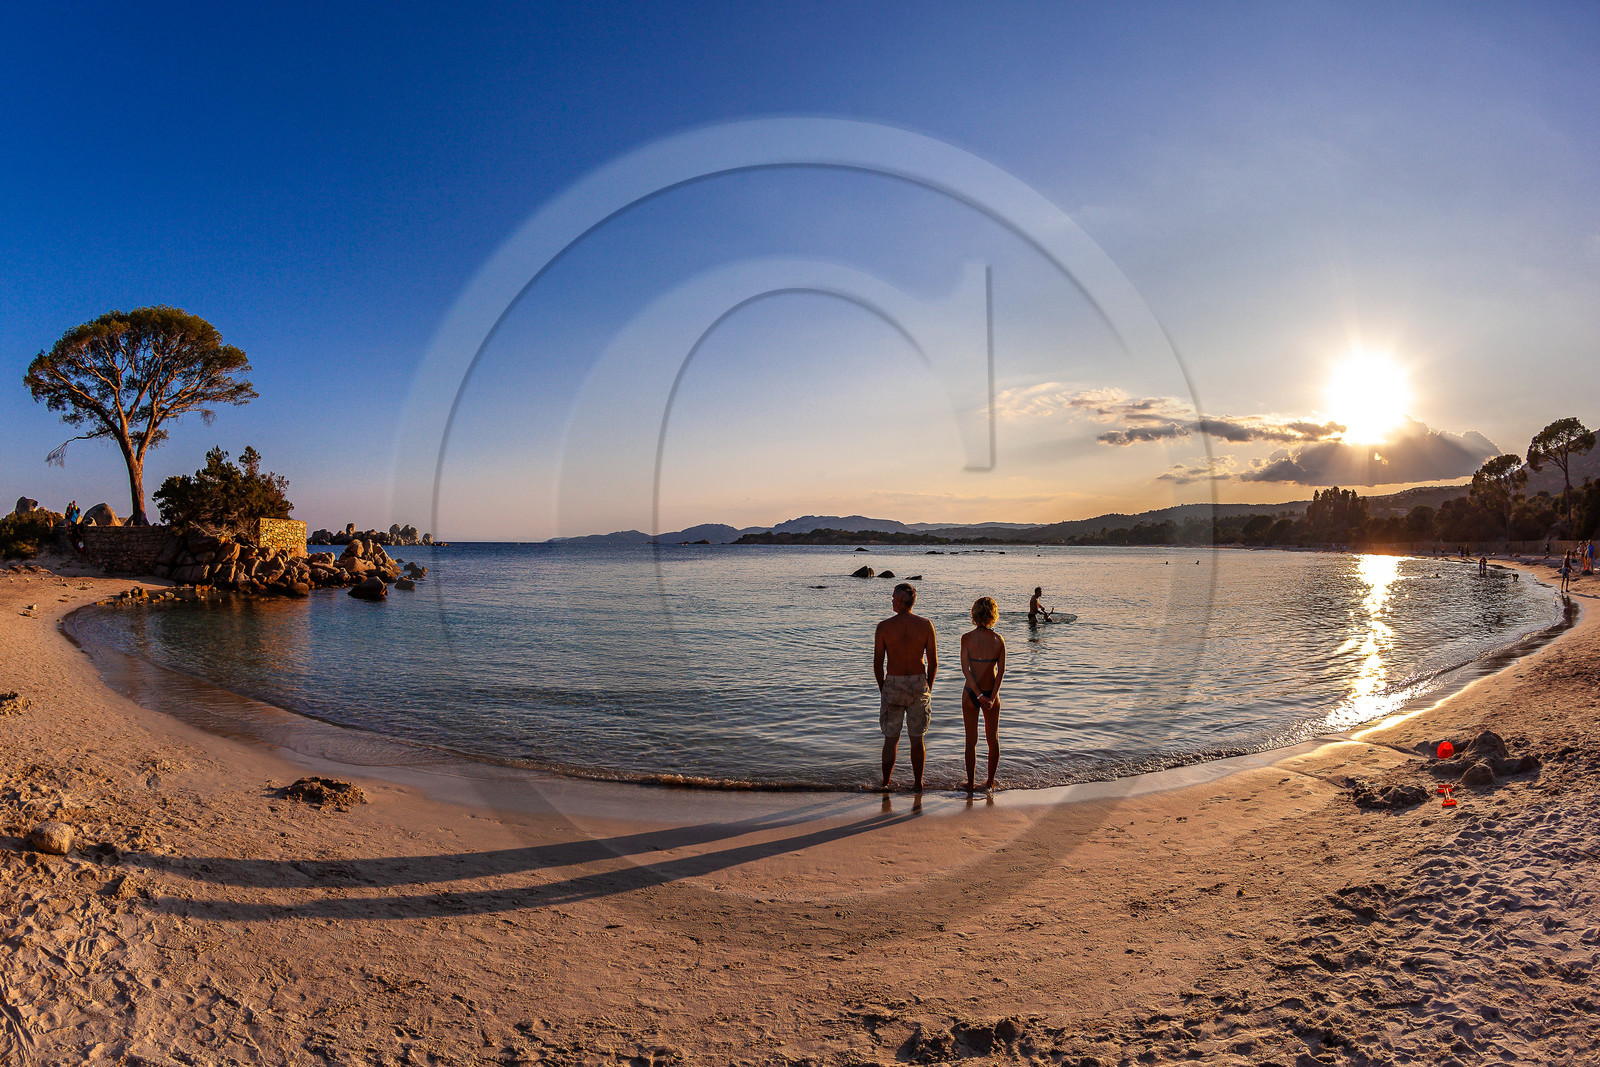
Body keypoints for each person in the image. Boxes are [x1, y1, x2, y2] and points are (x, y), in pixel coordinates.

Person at [873, 582, 937, 791]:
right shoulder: (926, 625)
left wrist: (883, 687)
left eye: (893, 597)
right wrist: (929, 686)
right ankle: (918, 783)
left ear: (900, 601)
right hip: (918, 683)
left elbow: (877, 663)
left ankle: (885, 783)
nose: (891, 600)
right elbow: (933, 662)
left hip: (893, 682)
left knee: (891, 739)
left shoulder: (884, 627)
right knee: (917, 739)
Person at [960, 596, 1005, 792]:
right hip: (991, 694)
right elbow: (1001, 672)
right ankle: (990, 782)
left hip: (972, 693)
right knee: (992, 739)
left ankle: (970, 783)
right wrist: (991, 697)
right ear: (992, 615)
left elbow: (966, 670)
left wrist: (978, 695)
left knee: (971, 741)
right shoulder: (998, 640)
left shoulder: (967, 638)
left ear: (974, 613)